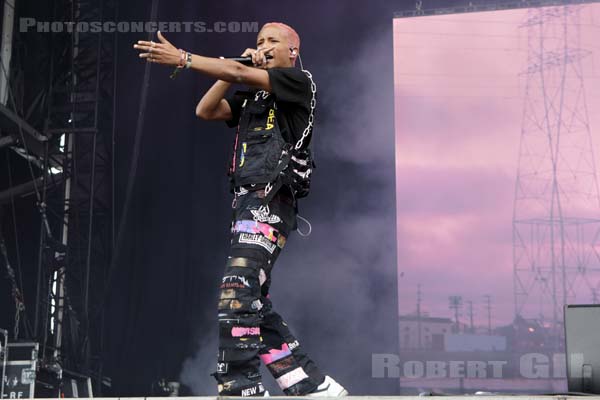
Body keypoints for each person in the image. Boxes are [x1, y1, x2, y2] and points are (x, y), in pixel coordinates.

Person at [133, 22, 347, 397]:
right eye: (259, 40)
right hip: (246, 202)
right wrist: (234, 64)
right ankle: (310, 385)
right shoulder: (253, 97)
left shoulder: (299, 83)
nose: (263, 46)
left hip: (271, 201)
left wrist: (184, 59)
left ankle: (241, 388)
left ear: (292, 52)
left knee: (236, 290)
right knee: (252, 302)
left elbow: (236, 73)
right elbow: (206, 109)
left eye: (272, 41)